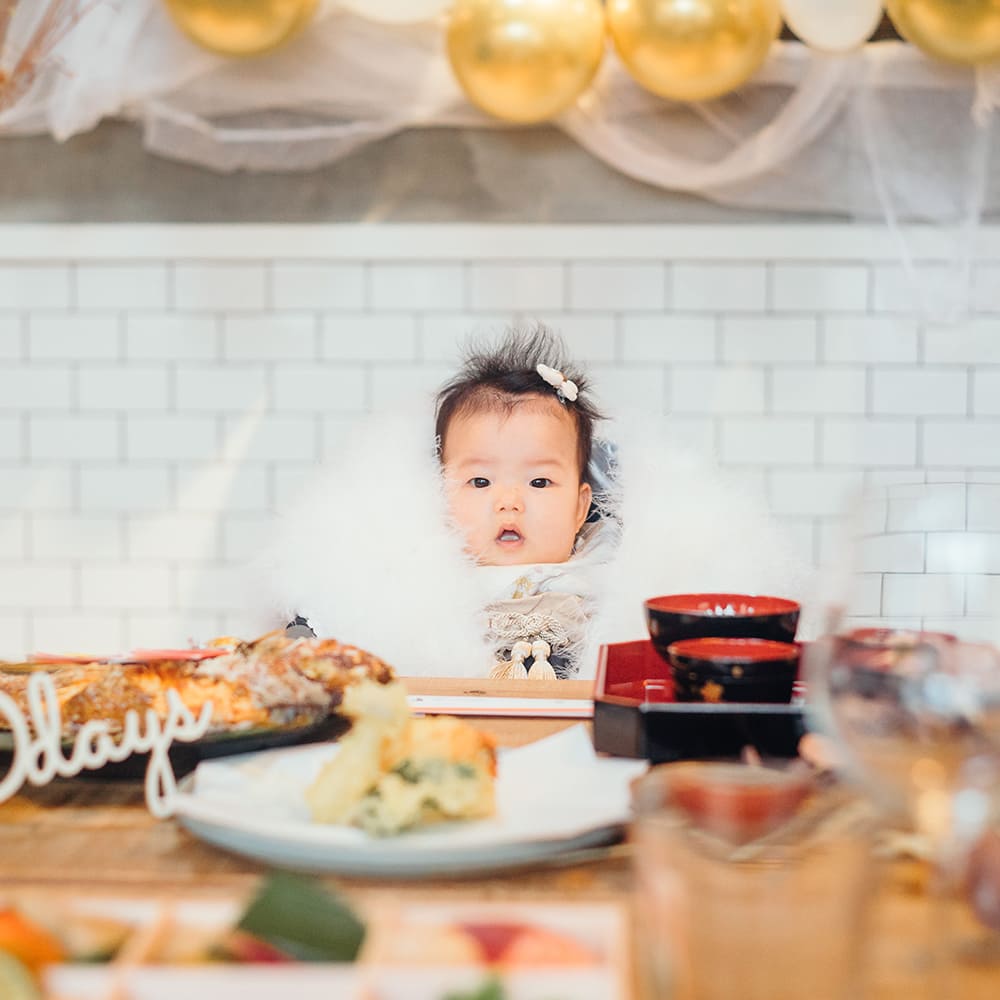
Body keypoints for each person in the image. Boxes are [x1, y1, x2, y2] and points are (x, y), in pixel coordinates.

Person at [260, 323, 808, 679]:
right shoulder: (426, 584)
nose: (509, 503)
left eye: (539, 484)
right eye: (480, 483)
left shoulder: (611, 576)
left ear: (581, 506)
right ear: (439, 498)